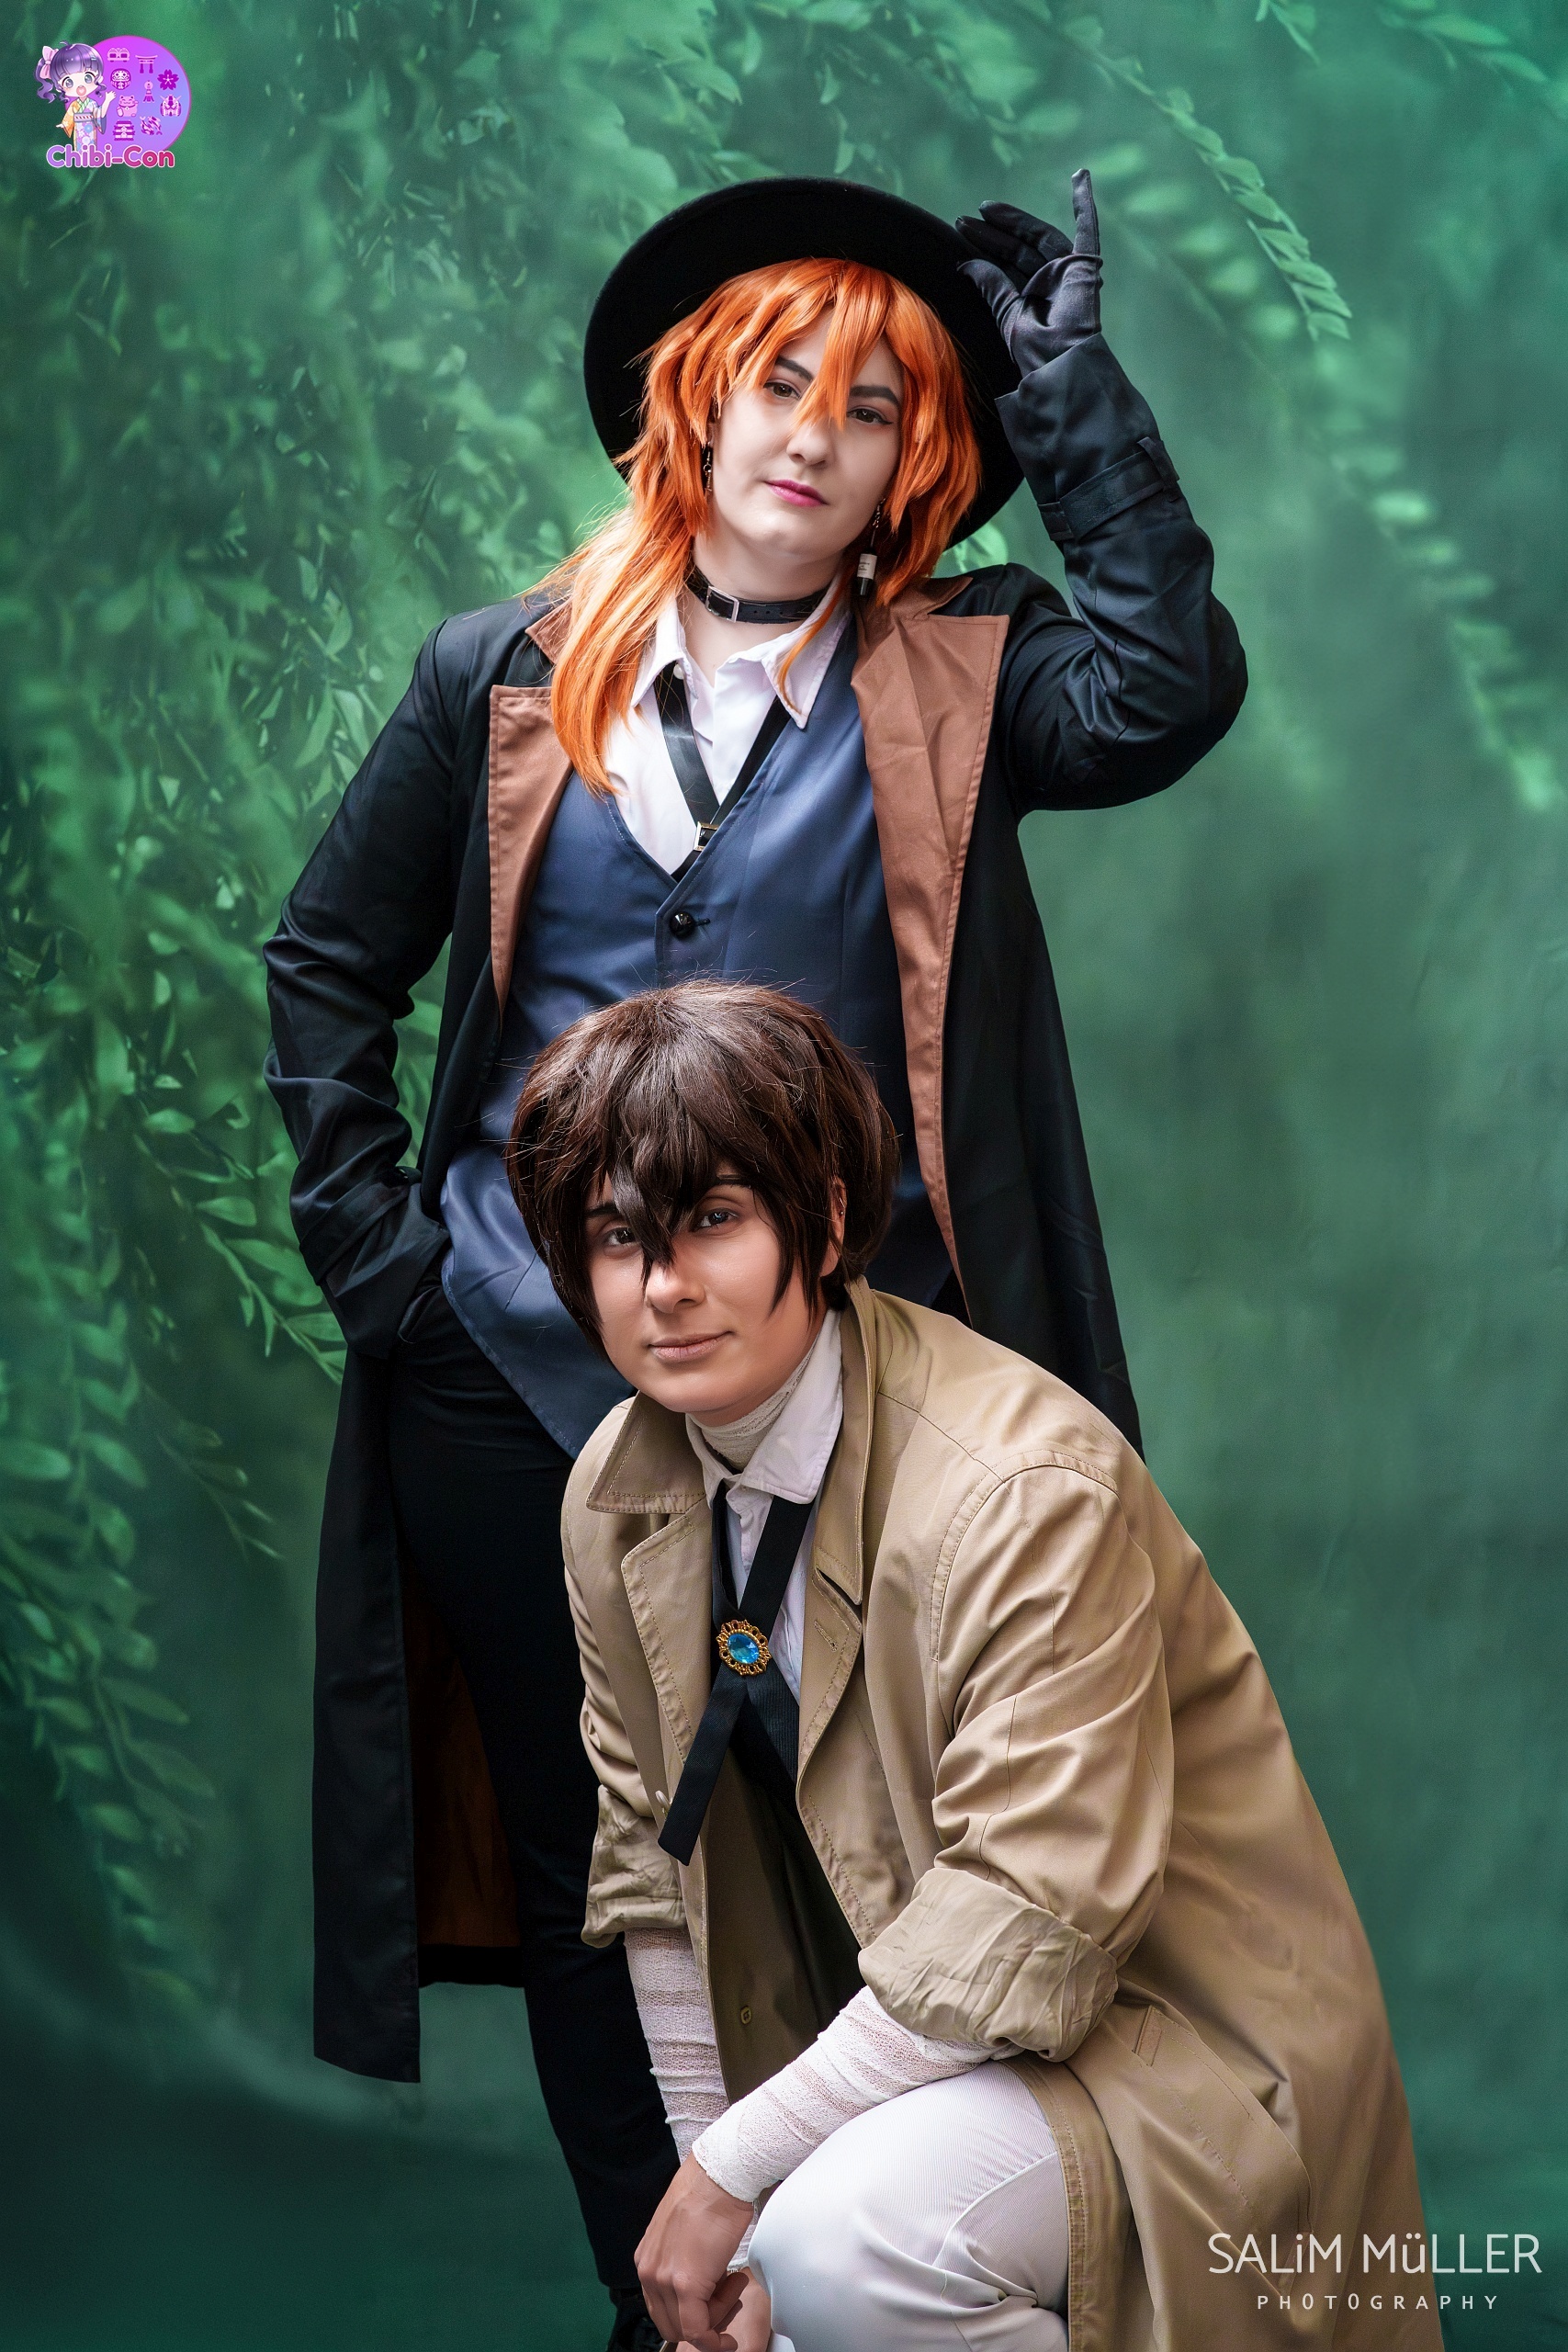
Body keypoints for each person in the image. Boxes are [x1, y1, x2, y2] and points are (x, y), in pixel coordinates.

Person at [263, 171, 1247, 2346]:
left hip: (849, 1400)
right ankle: (670, 2310)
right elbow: (326, 963)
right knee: (597, 1881)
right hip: (507, 1377)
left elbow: (1170, 685)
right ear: (690, 400)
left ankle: (846, 2270)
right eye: (779, 381)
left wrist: (1072, 403)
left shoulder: (959, 675)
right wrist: (385, 1272)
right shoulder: (501, 673)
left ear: (921, 462)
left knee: (853, 1844)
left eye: (875, 408)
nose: (815, 434)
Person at [506, 979, 1438, 2352]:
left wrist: (737, 2178)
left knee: (848, 2247)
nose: (665, 1286)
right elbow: (657, 1872)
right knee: (793, 2254)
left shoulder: (1017, 1488)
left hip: (1164, 2049)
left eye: (714, 1219)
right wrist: (724, 2206)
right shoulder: (616, 1493)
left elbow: (1026, 1912)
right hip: (934, 2049)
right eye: (618, 1237)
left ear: (828, 1219)